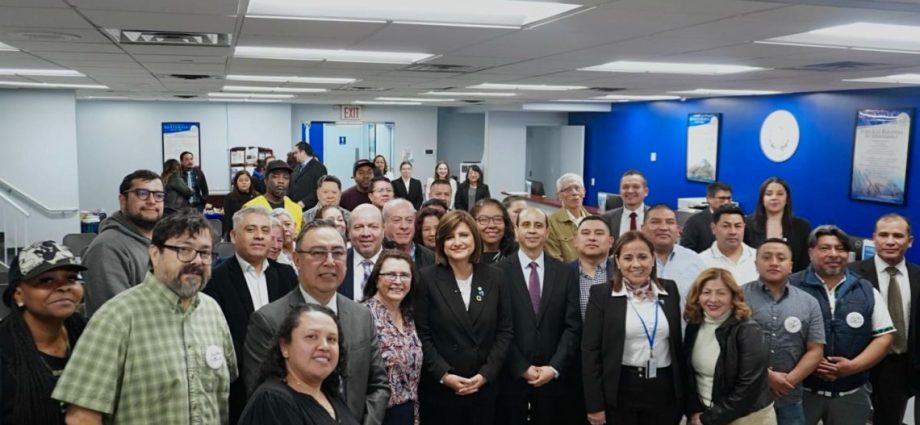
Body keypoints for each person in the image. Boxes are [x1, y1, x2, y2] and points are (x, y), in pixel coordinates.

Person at [53, 209, 237, 424]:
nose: (197, 261)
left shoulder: (212, 311)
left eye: (205, 253)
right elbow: (82, 416)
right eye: (184, 250)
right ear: (155, 254)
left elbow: (223, 391)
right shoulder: (116, 318)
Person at [243, 220, 390, 425]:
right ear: (296, 259)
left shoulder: (361, 316)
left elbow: (379, 384)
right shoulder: (269, 320)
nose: (330, 262)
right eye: (318, 253)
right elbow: (260, 396)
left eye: (338, 253)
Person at [414, 210, 513, 425]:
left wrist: (486, 374)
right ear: (441, 243)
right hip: (441, 389)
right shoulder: (426, 278)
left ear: (475, 239)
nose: (457, 242)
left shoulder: (495, 277)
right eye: (449, 237)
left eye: (464, 235)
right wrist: (444, 375)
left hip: (484, 387)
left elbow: (505, 331)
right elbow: (421, 335)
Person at [790, 225, 894, 425]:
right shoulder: (791, 286)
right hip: (800, 392)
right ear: (811, 252)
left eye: (840, 249)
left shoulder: (865, 289)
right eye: (825, 248)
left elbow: (884, 337)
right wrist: (807, 364)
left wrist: (852, 367)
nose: (834, 254)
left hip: (851, 394)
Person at [204, 206, 299, 423]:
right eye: (251, 229)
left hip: (286, 379)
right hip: (238, 385)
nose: (259, 236)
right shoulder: (216, 280)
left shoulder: (286, 275)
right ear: (233, 236)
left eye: (265, 230)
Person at [582, 231, 685, 425]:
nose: (636, 264)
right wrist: (595, 405)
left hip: (664, 389)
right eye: (628, 258)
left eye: (643, 257)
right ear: (617, 262)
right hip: (621, 388)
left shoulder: (669, 290)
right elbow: (590, 352)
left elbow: (678, 347)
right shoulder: (602, 294)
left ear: (653, 259)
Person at [496, 207, 582, 425]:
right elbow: (495, 327)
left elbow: (573, 326)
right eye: (526, 225)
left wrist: (554, 368)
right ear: (515, 231)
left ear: (547, 232)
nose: (532, 231)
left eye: (538, 225)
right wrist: (521, 368)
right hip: (511, 376)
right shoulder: (497, 273)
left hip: (554, 378)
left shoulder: (565, 273)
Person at [0, 241, 86, 424]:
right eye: (46, 280)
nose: (64, 287)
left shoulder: (86, 332)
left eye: (71, 278)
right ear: (18, 294)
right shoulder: (5, 350)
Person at [744, 238, 825, 425]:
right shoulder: (738, 297)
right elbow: (729, 347)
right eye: (767, 257)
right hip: (747, 397)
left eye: (781, 258)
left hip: (790, 397)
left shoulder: (809, 303)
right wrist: (767, 376)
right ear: (756, 264)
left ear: (791, 266)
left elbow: (816, 350)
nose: (774, 262)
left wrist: (787, 381)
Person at [848, 214, 919, 425]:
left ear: (910, 241)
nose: (890, 241)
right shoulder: (851, 275)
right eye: (884, 235)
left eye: (897, 236)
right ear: (874, 238)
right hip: (856, 363)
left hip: (899, 367)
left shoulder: (918, 276)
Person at [239, 304, 360, 425]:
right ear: (284, 347)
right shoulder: (272, 401)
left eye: (331, 339)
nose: (324, 346)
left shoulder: (330, 393)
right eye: (311, 337)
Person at [684, 267, 776, 425]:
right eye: (706, 292)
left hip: (747, 418)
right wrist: (695, 411)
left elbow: (748, 388)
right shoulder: (694, 325)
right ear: (697, 296)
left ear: (733, 296)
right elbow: (688, 374)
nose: (713, 299)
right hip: (704, 414)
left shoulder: (747, 329)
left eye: (721, 293)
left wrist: (709, 419)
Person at [83, 169, 164, 315]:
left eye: (158, 196)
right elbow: (116, 317)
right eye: (142, 194)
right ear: (123, 200)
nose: (152, 201)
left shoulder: (162, 241)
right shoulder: (107, 248)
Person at [362, 250, 423, 425]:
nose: (398, 281)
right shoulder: (363, 316)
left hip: (409, 413)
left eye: (404, 275)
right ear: (376, 278)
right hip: (376, 416)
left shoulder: (409, 318)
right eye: (390, 275)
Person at [745, 177, 812, 272]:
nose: (774, 198)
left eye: (780, 194)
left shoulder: (801, 226)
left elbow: (805, 263)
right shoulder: (747, 225)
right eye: (769, 194)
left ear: (787, 199)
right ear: (762, 199)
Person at [642, 204, 706, 300]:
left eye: (670, 222)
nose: (664, 227)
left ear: (678, 229)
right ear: (643, 228)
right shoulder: (629, 260)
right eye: (655, 222)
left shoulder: (694, 260)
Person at [700, 205, 759, 285]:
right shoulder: (700, 261)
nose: (733, 232)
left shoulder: (758, 257)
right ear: (713, 228)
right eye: (726, 226)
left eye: (738, 226)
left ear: (744, 228)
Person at [339, 204, 386, 301]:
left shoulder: (399, 264)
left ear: (383, 230)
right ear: (349, 231)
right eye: (358, 227)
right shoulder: (337, 263)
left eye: (373, 227)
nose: (366, 233)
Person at [572, 215, 615, 319]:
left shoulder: (622, 273)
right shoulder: (561, 274)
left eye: (599, 233)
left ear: (610, 242)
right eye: (586, 233)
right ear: (576, 241)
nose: (592, 238)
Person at [245, 159, 304, 234]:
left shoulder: (296, 210)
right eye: (275, 177)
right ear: (266, 180)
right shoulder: (251, 208)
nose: (281, 181)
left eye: (286, 178)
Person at [546, 173, 591, 263]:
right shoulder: (551, 222)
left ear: (584, 192)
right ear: (559, 196)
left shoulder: (594, 221)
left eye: (577, 188)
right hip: (566, 275)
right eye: (567, 190)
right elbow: (555, 261)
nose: (574, 193)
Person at [382, 198, 435, 270]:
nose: (404, 226)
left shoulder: (431, 258)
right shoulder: (375, 255)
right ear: (384, 224)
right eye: (397, 220)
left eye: (409, 220)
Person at [681, 182, 733, 253]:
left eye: (729, 198)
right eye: (722, 198)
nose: (726, 202)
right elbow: (685, 252)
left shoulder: (735, 221)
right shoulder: (694, 222)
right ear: (709, 199)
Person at [603, 170, 651, 237]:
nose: (630, 191)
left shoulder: (655, 216)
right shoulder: (607, 218)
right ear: (620, 191)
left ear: (646, 191)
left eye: (636, 187)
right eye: (625, 187)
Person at [470, 198, 517, 263]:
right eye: (484, 220)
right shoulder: (465, 258)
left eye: (498, 219)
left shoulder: (518, 255)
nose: (492, 225)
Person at [289, 141, 328, 211]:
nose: (294, 155)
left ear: (303, 152)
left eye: (296, 153)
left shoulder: (319, 168)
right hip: (295, 208)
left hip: (310, 209)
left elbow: (320, 189)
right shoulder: (296, 168)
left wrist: (304, 202)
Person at [223, 170, 260, 239]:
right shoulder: (229, 198)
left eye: (246, 180)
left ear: (251, 182)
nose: (244, 182)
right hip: (236, 232)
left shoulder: (258, 197)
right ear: (236, 183)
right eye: (241, 180)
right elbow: (227, 218)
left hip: (254, 232)